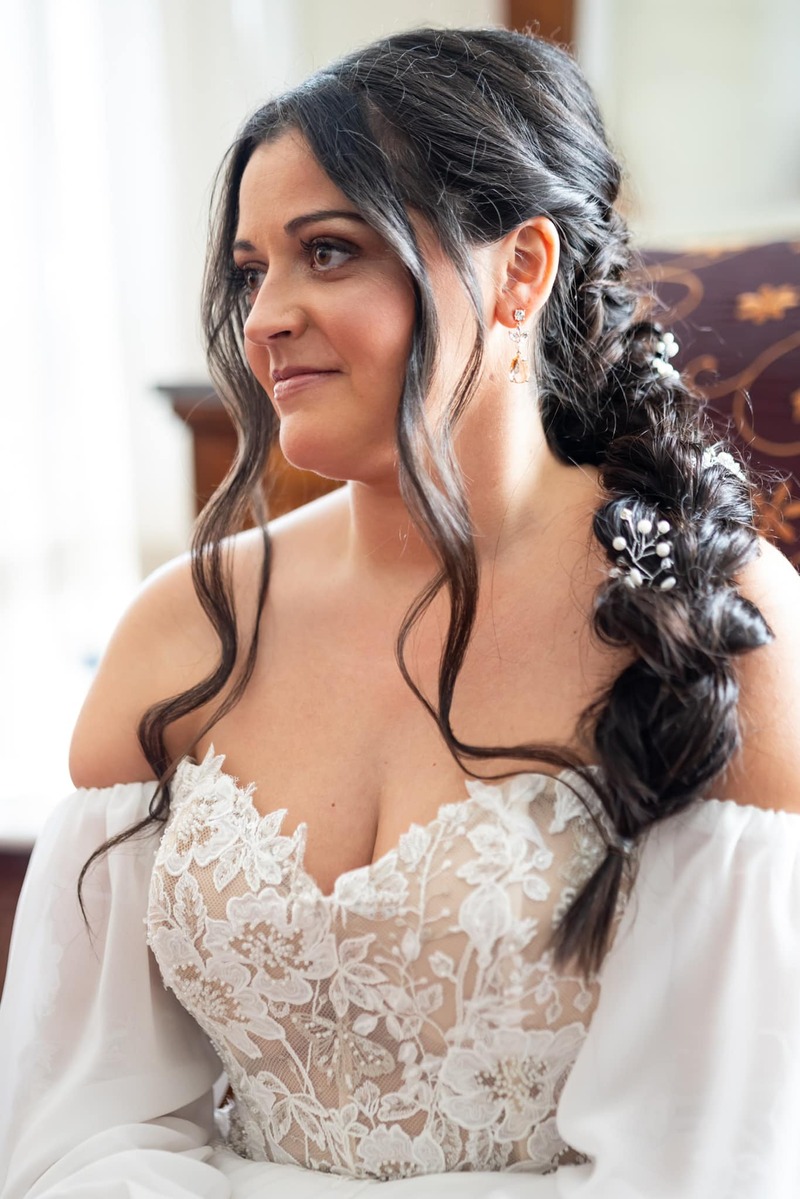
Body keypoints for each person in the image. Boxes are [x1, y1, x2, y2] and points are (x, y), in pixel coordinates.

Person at [1, 24, 800, 1199]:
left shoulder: (710, 620)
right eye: (250, 270)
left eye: (328, 252)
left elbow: (707, 1160)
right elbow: (79, 1118)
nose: (265, 316)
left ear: (520, 269)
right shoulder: (183, 626)